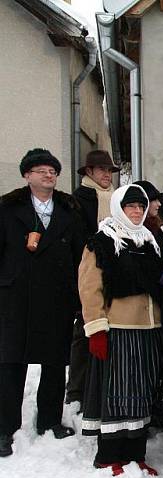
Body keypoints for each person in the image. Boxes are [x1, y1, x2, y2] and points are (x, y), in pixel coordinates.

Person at [79, 184, 163, 474]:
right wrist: (96, 329)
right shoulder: (103, 241)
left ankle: (135, 454)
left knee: (142, 392)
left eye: (141, 207)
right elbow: (89, 288)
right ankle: (109, 455)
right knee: (117, 393)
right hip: (118, 327)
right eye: (131, 206)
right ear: (119, 208)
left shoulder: (150, 242)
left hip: (149, 327)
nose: (136, 211)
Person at [0, 149, 85, 457]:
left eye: (52, 171)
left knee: (54, 362)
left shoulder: (68, 209)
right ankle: (4, 428)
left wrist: (77, 295)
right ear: (27, 175)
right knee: (11, 363)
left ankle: (49, 421)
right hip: (16, 297)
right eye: (41, 170)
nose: (48, 175)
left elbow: (80, 256)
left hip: (57, 296)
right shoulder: (8, 208)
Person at [67, 151, 120, 407]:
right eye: (101, 169)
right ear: (89, 171)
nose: (106, 174)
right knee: (84, 330)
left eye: (109, 170)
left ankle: (102, 386)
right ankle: (76, 390)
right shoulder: (79, 199)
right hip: (87, 266)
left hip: (112, 270)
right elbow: (76, 237)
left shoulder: (115, 199)